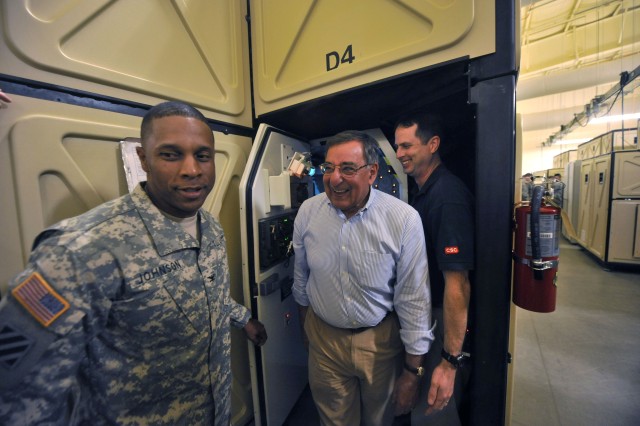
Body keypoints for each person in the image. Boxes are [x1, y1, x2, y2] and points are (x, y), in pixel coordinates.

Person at [0, 101, 267, 425]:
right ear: (144, 158)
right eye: (171, 154)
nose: (192, 170)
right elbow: (18, 396)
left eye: (202, 155)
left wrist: (244, 319)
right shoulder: (78, 252)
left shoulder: (208, 226)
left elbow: (209, 296)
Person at [292, 130, 434, 425]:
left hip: (379, 345)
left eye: (347, 168)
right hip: (325, 341)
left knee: (378, 420)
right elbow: (301, 278)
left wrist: (412, 372)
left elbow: (414, 300)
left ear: (372, 173)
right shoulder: (308, 212)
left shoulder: (403, 219)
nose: (334, 179)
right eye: (329, 168)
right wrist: (307, 330)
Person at [395, 113, 474, 425]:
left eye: (406, 145)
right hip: (428, 314)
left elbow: (458, 284)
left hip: (443, 316)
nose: (399, 153)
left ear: (433, 144)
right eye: (396, 146)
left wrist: (449, 361)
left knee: (433, 407)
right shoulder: (425, 192)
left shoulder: (446, 196)